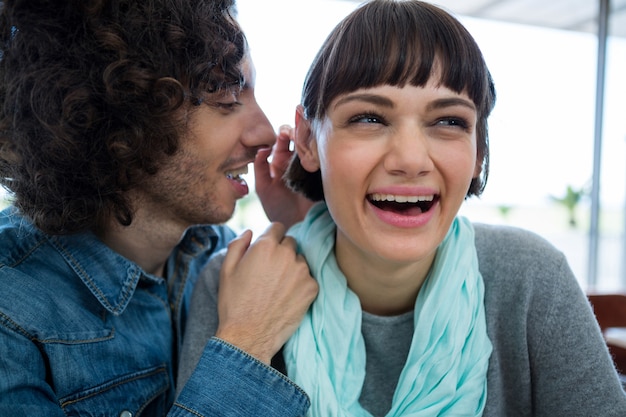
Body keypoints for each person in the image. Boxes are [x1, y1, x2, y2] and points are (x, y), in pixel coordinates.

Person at [178, 0, 626, 416]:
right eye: (369, 118)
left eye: (449, 121)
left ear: (478, 153)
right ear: (310, 141)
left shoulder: (530, 277)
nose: (411, 159)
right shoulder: (231, 283)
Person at [0, 0, 318, 415]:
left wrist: (307, 231)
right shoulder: (11, 312)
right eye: (225, 99)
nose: (264, 133)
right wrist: (247, 342)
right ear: (120, 112)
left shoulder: (227, 257)